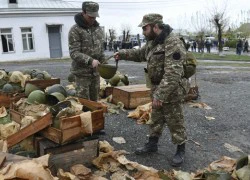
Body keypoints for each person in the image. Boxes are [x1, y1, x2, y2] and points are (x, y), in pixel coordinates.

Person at [114, 13, 188, 167]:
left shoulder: (173, 42)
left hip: (171, 89)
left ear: (155, 26)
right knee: (156, 117)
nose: (143, 32)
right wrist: (121, 54)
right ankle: (152, 143)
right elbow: (139, 54)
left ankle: (181, 149)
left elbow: (173, 73)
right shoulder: (152, 42)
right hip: (156, 86)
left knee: (175, 120)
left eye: (145, 28)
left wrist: (160, 94)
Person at [68, 1, 105, 101]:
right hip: (82, 74)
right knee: (84, 104)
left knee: (95, 103)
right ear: (83, 13)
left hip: (95, 74)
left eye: (95, 16)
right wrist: (90, 60)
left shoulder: (98, 30)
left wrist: (105, 64)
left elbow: (100, 50)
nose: (93, 19)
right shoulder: (75, 30)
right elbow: (74, 53)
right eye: (90, 16)